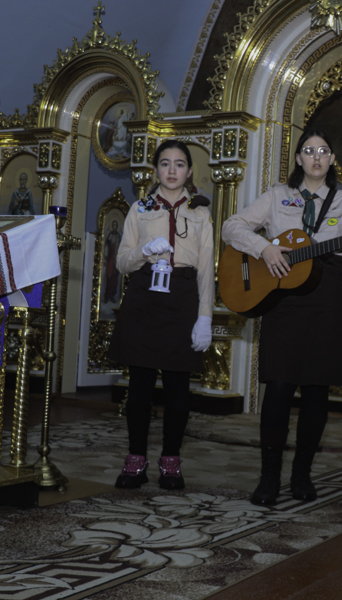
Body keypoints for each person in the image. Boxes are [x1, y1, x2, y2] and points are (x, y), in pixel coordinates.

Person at [222, 127, 342, 506]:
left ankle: (302, 474)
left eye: (324, 151)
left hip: (329, 300)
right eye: (309, 150)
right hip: (284, 301)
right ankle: (269, 478)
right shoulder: (276, 196)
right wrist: (264, 248)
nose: (316, 157)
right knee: (279, 388)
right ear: (299, 158)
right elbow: (230, 227)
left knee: (317, 390)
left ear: (332, 160)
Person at [108, 139, 214, 490]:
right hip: (144, 297)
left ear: (189, 170)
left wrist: (204, 317)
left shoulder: (201, 212)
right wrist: (143, 250)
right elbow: (122, 262)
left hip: (182, 299)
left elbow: (205, 271)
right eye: (165, 163)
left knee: (178, 390)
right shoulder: (140, 209)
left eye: (179, 164)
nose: (172, 170)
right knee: (138, 389)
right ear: (155, 169)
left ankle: (171, 461)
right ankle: (135, 459)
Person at [103, 219, 122, 303]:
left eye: (116, 225)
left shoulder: (118, 236)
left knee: (115, 276)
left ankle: (112, 295)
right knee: (109, 275)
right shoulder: (110, 235)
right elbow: (107, 246)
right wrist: (106, 255)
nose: (114, 226)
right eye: (113, 225)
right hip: (110, 258)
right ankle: (107, 295)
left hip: (116, 259)